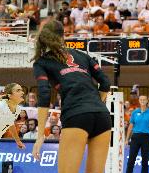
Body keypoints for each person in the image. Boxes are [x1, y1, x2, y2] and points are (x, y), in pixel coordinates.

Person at [31, 20, 111, 173]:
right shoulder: (82, 55)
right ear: (63, 35)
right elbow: (105, 82)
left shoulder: (42, 62)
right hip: (102, 116)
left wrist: (40, 135)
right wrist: (93, 105)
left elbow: (44, 94)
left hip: (77, 115)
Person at [0, 83, 26, 172]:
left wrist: (18, 141)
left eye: (21, 90)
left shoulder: (18, 109)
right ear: (10, 96)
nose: (22, 92)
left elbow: (10, 123)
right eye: (18, 90)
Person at [125, 95, 149, 173]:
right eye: (141, 99)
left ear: (147, 101)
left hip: (146, 137)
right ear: (139, 101)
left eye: (144, 99)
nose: (142, 101)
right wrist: (126, 139)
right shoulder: (135, 112)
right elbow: (130, 126)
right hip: (135, 137)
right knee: (131, 159)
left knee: (145, 161)